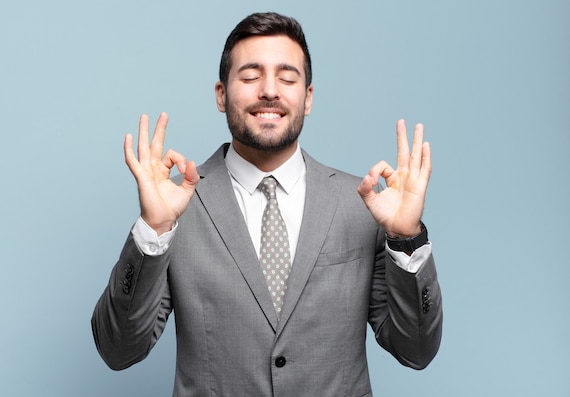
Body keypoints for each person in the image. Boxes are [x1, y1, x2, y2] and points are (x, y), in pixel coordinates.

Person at [92, 11, 442, 397]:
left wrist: (406, 238)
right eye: (250, 75)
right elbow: (118, 350)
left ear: (307, 98)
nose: (270, 91)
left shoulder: (364, 206)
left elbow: (417, 352)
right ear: (221, 94)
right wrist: (152, 230)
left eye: (288, 78)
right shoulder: (176, 206)